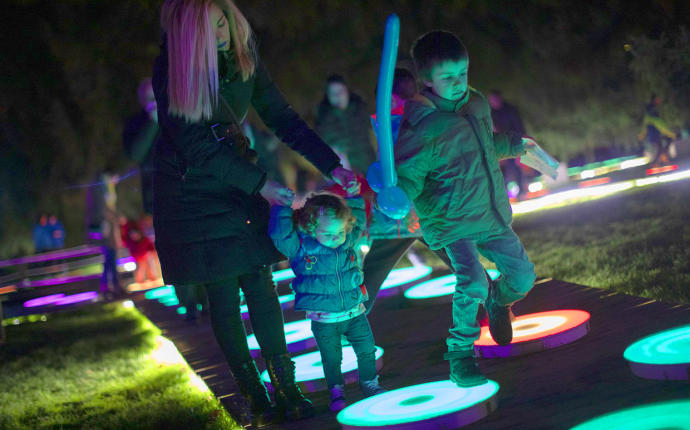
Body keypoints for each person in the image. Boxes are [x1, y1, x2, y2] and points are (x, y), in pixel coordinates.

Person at [152, 0, 359, 425]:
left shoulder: (243, 59)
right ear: (190, 36)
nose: (222, 31)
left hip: (238, 176)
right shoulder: (172, 69)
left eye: (223, 19)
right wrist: (262, 185)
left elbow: (282, 118)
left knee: (261, 283)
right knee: (224, 295)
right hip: (192, 190)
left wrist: (332, 165)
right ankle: (253, 392)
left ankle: (288, 386)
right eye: (209, 27)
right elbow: (194, 146)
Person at [395, 30, 537, 387]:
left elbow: (483, 146)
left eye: (463, 74)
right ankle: (461, 354)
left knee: (522, 277)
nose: (458, 83)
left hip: (490, 213)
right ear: (427, 80)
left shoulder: (475, 104)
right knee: (471, 280)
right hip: (451, 220)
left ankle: (498, 302)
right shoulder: (421, 125)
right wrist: (398, 197)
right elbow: (408, 174)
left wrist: (512, 144)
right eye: (448, 77)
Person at [269, 192, 385, 412]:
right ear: (311, 228)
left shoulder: (348, 239)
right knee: (332, 359)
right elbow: (280, 236)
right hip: (324, 319)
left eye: (340, 231)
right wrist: (280, 208)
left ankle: (369, 383)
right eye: (329, 233)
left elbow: (358, 222)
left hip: (354, 313)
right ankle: (336, 391)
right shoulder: (301, 248)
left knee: (367, 350)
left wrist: (353, 196)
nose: (336, 238)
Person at [362, 67, 453, 314]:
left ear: (390, 99)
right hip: (416, 214)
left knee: (370, 277)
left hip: (406, 215)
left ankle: (349, 327)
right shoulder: (424, 119)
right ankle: (494, 303)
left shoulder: (398, 124)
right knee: (461, 263)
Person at [315, 75, 377, 174]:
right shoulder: (324, 121)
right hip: (347, 173)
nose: (338, 96)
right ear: (328, 96)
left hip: (371, 166)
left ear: (347, 91)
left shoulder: (361, 109)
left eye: (340, 91)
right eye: (333, 93)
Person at [123, 78, 159, 215]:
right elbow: (136, 154)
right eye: (150, 98)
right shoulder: (135, 124)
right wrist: (153, 123)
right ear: (142, 101)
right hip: (155, 198)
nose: (155, 102)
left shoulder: (174, 118)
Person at [487, 90, 532, 198]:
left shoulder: (510, 110)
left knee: (517, 168)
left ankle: (522, 191)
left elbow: (519, 126)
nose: (493, 102)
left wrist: (521, 141)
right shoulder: (491, 113)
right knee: (505, 170)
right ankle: (505, 194)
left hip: (514, 142)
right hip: (502, 145)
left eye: (494, 99)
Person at [638, 94, 677, 166]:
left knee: (663, 145)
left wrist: (642, 135)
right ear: (654, 100)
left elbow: (645, 126)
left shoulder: (648, 115)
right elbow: (660, 125)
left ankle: (660, 160)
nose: (659, 101)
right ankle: (656, 163)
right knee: (664, 145)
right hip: (654, 135)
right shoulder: (653, 113)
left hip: (653, 135)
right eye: (658, 100)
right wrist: (671, 134)